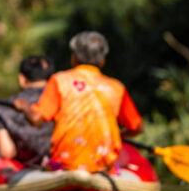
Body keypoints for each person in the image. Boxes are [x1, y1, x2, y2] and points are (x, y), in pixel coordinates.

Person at [13, 31, 144, 173]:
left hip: (66, 164)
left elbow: (36, 119)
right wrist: (120, 134)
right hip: (103, 167)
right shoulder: (117, 88)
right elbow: (137, 128)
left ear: (73, 58)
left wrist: (25, 107)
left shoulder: (59, 81)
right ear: (102, 61)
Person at [0, 55, 54, 168]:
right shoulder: (61, 99)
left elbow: (7, 152)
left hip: (27, 167)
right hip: (59, 162)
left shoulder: (4, 108)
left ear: (21, 79)